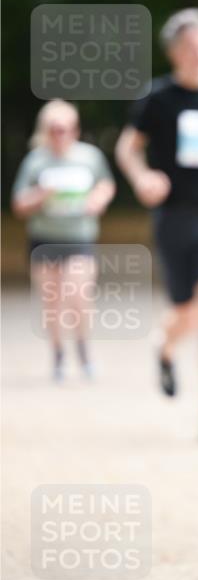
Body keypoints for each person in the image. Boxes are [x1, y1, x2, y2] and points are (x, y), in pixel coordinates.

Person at [115, 8, 198, 441]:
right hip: (175, 217)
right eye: (192, 48)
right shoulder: (158, 98)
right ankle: (165, 344)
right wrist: (142, 177)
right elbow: (128, 148)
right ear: (174, 52)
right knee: (185, 310)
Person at [11, 100, 116, 381]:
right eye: (55, 129)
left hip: (79, 239)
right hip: (44, 240)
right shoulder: (35, 160)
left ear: (75, 129)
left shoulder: (89, 157)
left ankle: (83, 347)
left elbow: (106, 184)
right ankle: (58, 353)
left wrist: (98, 199)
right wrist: (41, 195)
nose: (61, 134)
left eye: (66, 129)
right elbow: (19, 203)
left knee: (78, 296)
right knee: (52, 302)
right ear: (45, 130)